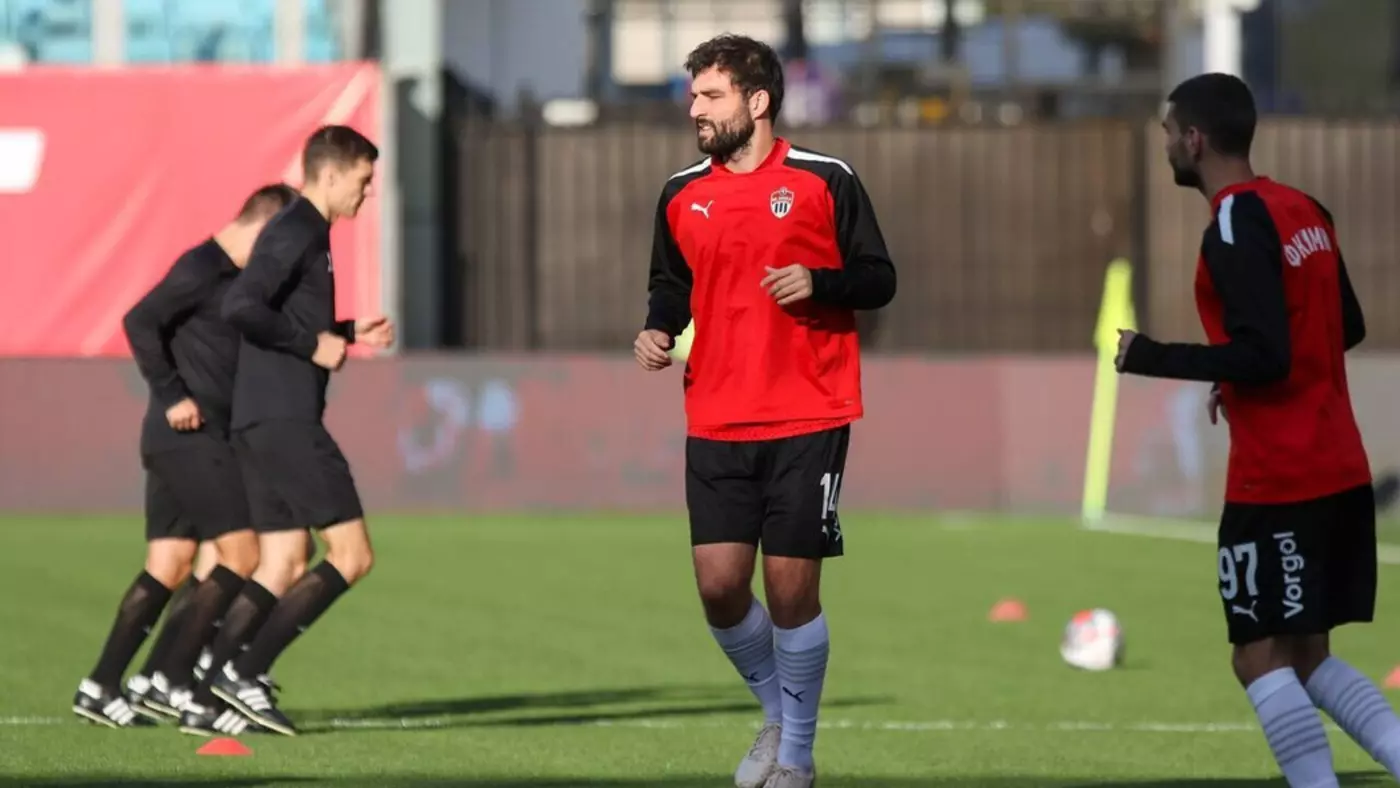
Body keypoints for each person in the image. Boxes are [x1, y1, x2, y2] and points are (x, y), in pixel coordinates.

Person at [1116, 73, 1400, 787]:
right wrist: (1236, 371)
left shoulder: (1234, 224)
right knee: (1307, 656)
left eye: (1167, 133)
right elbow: (1344, 325)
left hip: (1280, 479)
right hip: (1338, 466)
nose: (1165, 146)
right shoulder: (1305, 210)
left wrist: (1150, 355)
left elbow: (1265, 355)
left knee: (1257, 656)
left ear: (1194, 139)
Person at [634, 34, 895, 788]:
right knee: (719, 589)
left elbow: (878, 277)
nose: (695, 109)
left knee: (789, 589)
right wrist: (657, 327)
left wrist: (820, 281)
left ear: (757, 101)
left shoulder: (825, 179)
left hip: (809, 413)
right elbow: (670, 283)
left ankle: (798, 758)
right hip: (715, 415)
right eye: (693, 95)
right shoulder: (680, 193)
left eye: (710, 95)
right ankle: (778, 714)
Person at [180, 124, 393, 737]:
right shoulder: (296, 228)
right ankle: (244, 673)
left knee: (284, 559)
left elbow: (279, 316)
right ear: (331, 173)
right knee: (352, 555)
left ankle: (207, 694)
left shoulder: (308, 232)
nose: (368, 191)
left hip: (261, 420)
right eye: (363, 180)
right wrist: (314, 343)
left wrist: (345, 332)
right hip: (283, 421)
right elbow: (241, 305)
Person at [73, 183, 299, 733]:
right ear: (263, 227)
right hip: (186, 437)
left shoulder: (242, 282)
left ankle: (101, 686)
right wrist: (173, 394)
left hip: (194, 438)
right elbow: (139, 320)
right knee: (242, 554)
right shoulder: (201, 266)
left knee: (170, 565)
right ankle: (178, 681)